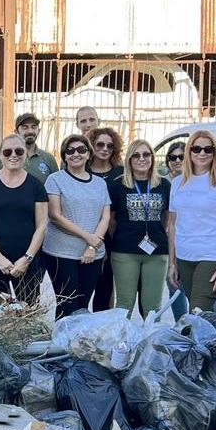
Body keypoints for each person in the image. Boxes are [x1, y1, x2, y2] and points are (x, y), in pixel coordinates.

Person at [168, 130, 216, 314]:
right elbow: (172, 225)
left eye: (208, 149)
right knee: (203, 314)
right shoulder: (177, 183)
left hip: (212, 256)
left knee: (197, 312)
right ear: (189, 152)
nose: (202, 153)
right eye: (196, 149)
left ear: (214, 153)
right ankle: (213, 341)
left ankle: (199, 342)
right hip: (184, 257)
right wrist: (172, 263)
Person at [45, 134, 111, 319]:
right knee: (67, 305)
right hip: (61, 253)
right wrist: (87, 237)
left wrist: (92, 245)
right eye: (70, 150)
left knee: (82, 305)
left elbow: (105, 217)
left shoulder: (100, 183)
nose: (76, 154)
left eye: (81, 150)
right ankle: (61, 346)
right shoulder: (55, 179)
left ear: (89, 154)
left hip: (93, 254)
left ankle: (78, 346)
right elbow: (55, 215)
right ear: (64, 156)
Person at [0, 134, 47, 303]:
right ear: (0, 155)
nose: (13, 155)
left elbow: (42, 225)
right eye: (7, 152)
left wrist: (27, 258)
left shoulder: (36, 186)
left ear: (25, 154)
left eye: (19, 151)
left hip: (27, 262)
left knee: (27, 313)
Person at [109, 140, 171, 319]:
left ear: (152, 157)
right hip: (124, 252)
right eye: (136, 155)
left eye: (146, 154)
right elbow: (112, 220)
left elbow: (167, 218)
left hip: (157, 253)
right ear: (129, 159)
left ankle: (150, 344)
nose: (141, 159)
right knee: (124, 305)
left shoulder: (164, 185)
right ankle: (122, 345)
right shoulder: (118, 185)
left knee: (153, 307)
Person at [87, 127, 125, 311]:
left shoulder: (122, 173)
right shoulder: (82, 169)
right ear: (92, 145)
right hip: (85, 233)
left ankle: (100, 332)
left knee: (105, 287)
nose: (105, 149)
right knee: (83, 288)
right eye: (100, 144)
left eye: (110, 146)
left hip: (112, 235)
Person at [0, 112, 59, 181]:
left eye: (34, 127)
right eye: (25, 127)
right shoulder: (1, 157)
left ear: (39, 131)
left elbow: (57, 187)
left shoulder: (49, 159)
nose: (30, 131)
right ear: (16, 132)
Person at [163, 142, 190, 320]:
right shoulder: (163, 182)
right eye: (173, 157)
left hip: (192, 239)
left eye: (181, 156)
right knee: (173, 281)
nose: (177, 160)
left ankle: (211, 328)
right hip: (169, 239)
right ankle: (182, 324)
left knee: (200, 288)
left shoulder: (197, 180)